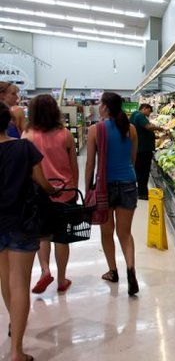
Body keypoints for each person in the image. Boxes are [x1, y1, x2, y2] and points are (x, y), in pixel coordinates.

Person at [0, 101, 58, 361]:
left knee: (5, 279)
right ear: (9, 123)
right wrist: (55, 191)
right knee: (20, 282)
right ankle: (16, 352)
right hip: (23, 222)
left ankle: (13, 324)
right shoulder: (24, 148)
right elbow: (42, 182)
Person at [23, 95, 79, 294]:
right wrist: (74, 188)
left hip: (38, 193)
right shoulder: (66, 134)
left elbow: (25, 168)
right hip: (65, 192)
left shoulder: (27, 135)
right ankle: (62, 280)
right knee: (62, 238)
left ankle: (45, 270)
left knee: (43, 236)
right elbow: (73, 166)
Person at [85, 92, 139, 296]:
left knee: (107, 232)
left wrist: (87, 188)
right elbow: (132, 159)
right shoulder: (131, 129)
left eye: (100, 103)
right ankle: (131, 269)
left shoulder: (95, 130)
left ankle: (113, 271)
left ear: (105, 107)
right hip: (128, 183)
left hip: (104, 187)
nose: (98, 106)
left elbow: (90, 164)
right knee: (125, 233)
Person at [129, 104, 164, 200]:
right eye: (149, 111)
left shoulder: (134, 115)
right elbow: (148, 127)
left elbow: (142, 131)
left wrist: (156, 136)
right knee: (144, 171)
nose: (149, 114)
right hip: (143, 149)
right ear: (144, 108)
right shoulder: (139, 116)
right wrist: (160, 128)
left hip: (138, 148)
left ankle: (139, 190)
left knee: (139, 170)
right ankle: (143, 193)